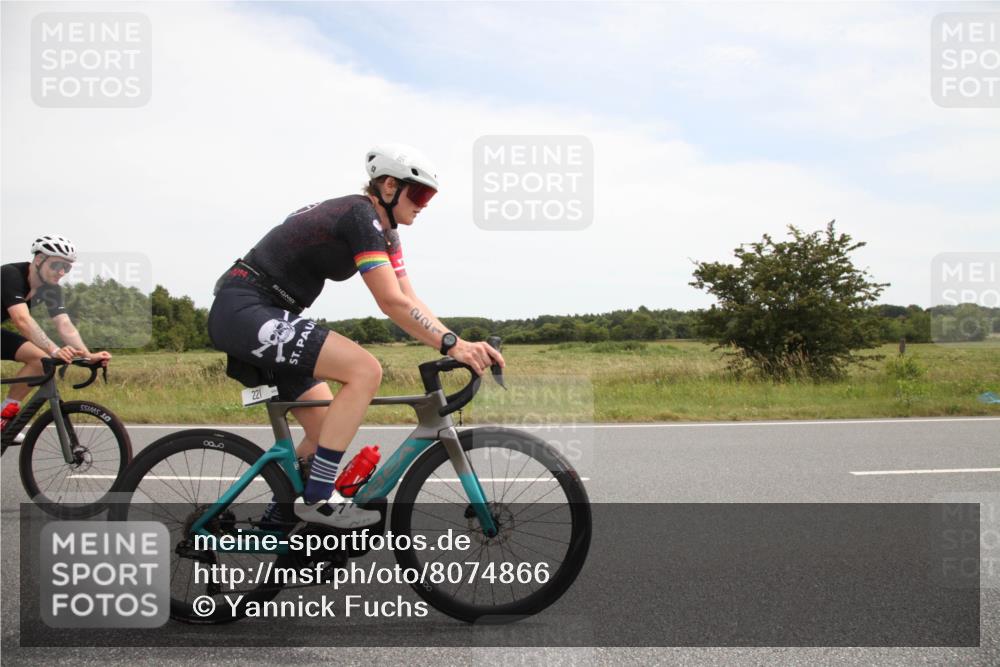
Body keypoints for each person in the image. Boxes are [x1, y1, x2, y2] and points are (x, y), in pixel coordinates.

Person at [208, 144, 504, 529]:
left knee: (324, 426)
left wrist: (456, 340)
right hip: (245, 308)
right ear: (387, 186)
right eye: (419, 194)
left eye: (430, 197)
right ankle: (317, 501)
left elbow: (408, 299)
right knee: (364, 370)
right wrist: (453, 346)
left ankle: (283, 523)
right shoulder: (360, 215)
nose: (424, 204)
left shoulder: (385, 232)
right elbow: (390, 302)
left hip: (267, 313)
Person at [1, 235, 112, 432]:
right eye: (56, 265)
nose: (61, 272)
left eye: (67, 268)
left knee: (39, 360)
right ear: (38, 260)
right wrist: (55, 350)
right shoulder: (10, 275)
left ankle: (3, 417)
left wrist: (88, 355)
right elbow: (22, 320)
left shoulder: (51, 289)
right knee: (47, 354)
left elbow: (64, 324)